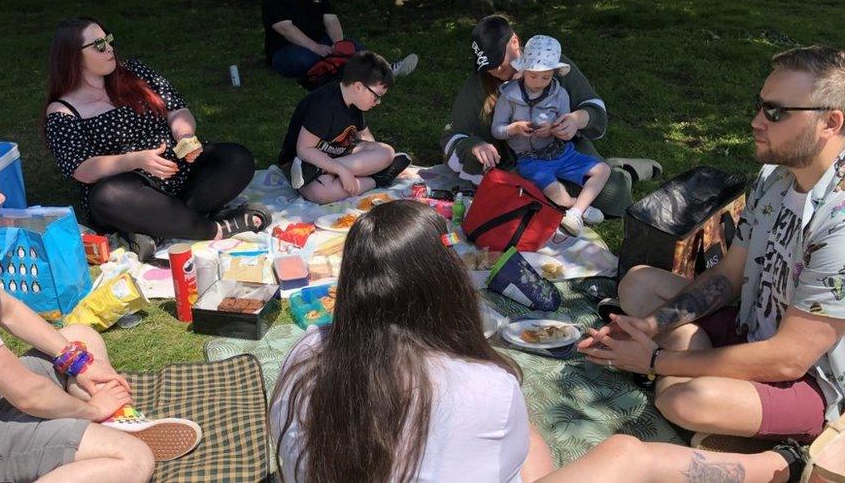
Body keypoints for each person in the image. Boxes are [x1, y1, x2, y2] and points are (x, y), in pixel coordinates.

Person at [269, 200, 806, 483]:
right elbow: (522, 461)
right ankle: (777, 467)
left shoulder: (306, 352)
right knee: (621, 454)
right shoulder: (479, 384)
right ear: (444, 285)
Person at [0, 130, 199, 483]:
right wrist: (90, 410)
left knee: (79, 337)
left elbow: (8, 310)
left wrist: (80, 364)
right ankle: (104, 426)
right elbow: (27, 395)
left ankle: (106, 424)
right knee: (132, 460)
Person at [579, 46, 845, 445]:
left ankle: (779, 449)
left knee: (684, 401)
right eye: (759, 106)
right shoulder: (775, 178)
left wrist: (654, 359)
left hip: (810, 383)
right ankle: (697, 366)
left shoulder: (839, 222)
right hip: (752, 328)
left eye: (775, 112)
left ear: (831, 122)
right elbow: (728, 276)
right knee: (637, 285)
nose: (757, 121)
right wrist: (647, 326)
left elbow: (789, 359)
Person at [43, 17, 269, 258]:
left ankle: (160, 226)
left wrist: (185, 136)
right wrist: (136, 160)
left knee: (236, 158)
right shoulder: (63, 112)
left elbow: (177, 109)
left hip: (179, 171)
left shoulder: (135, 72)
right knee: (107, 197)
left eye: (108, 40)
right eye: (98, 45)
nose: (109, 48)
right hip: (129, 189)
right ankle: (215, 229)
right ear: (73, 56)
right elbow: (81, 169)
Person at [442, 15, 656, 218]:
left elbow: (594, 108)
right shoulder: (479, 83)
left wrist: (577, 119)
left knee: (611, 195)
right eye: (488, 65)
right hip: (518, 164)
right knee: (533, 199)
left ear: (514, 42)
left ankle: (625, 172)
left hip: (563, 150)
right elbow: (453, 136)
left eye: (499, 59)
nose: (496, 68)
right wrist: (474, 146)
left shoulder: (551, 63)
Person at [491, 35, 611, 235]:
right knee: (557, 195)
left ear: (554, 73)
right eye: (533, 76)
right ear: (523, 71)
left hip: (559, 152)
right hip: (530, 160)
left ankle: (574, 213)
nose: (539, 83)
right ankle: (578, 208)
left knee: (603, 170)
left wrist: (556, 129)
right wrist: (514, 129)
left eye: (546, 77)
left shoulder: (559, 94)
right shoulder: (509, 97)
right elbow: (497, 129)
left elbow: (565, 126)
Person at [278, 51, 411, 204]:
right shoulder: (324, 106)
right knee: (322, 193)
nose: (378, 102)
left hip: (331, 161)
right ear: (358, 87)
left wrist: (379, 163)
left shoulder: (353, 102)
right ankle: (378, 179)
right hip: (302, 163)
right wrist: (341, 170)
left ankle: (328, 172)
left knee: (386, 152)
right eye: (376, 96)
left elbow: (365, 137)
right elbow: (304, 149)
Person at [262, 0, 418, 80]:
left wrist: (338, 44)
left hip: (322, 42)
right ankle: (355, 72)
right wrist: (315, 47)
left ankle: (385, 70)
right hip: (288, 49)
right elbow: (286, 30)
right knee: (305, 59)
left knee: (354, 46)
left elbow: (331, 20)